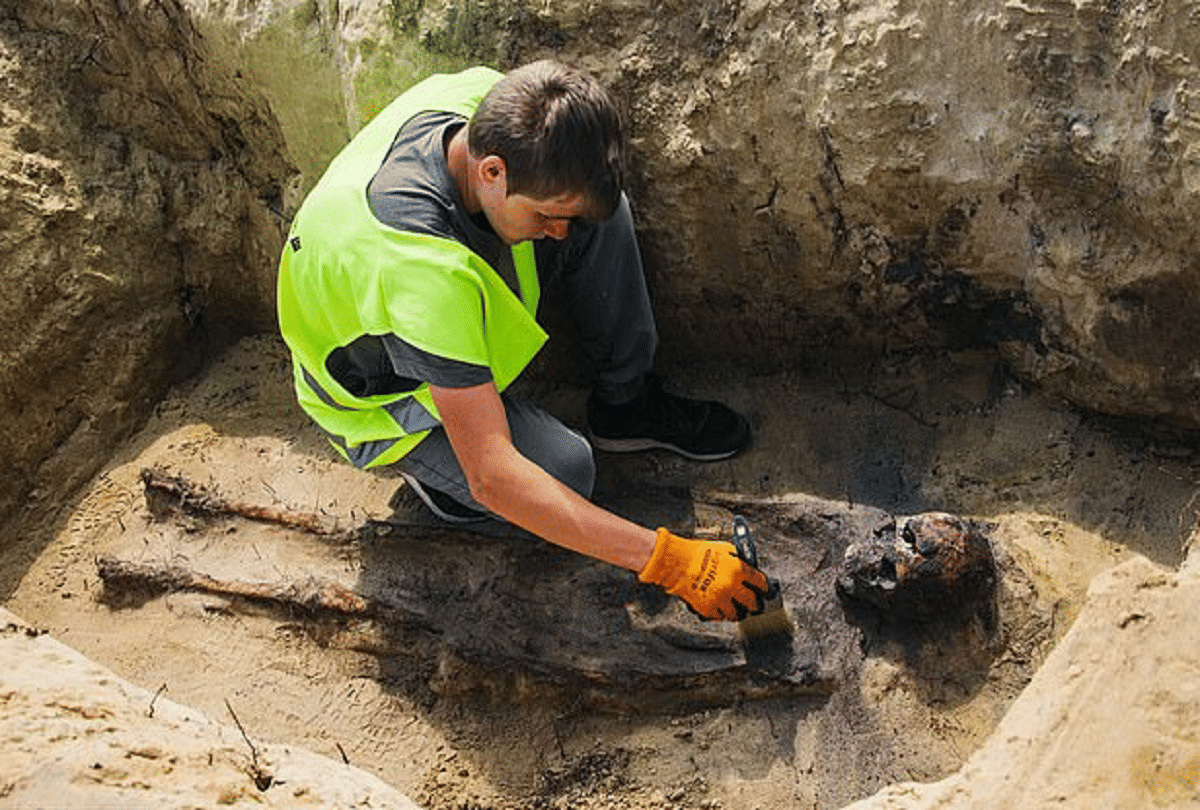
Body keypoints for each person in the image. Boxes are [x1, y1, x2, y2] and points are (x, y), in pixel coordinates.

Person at [277, 60, 767, 622]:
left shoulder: (492, 102)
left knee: (593, 212)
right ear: (491, 171)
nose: (560, 234)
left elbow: (566, 209)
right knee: (565, 471)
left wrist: (561, 214)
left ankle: (626, 404)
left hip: (419, 306)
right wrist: (667, 560)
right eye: (543, 217)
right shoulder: (422, 271)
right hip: (381, 398)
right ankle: (436, 482)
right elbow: (494, 474)